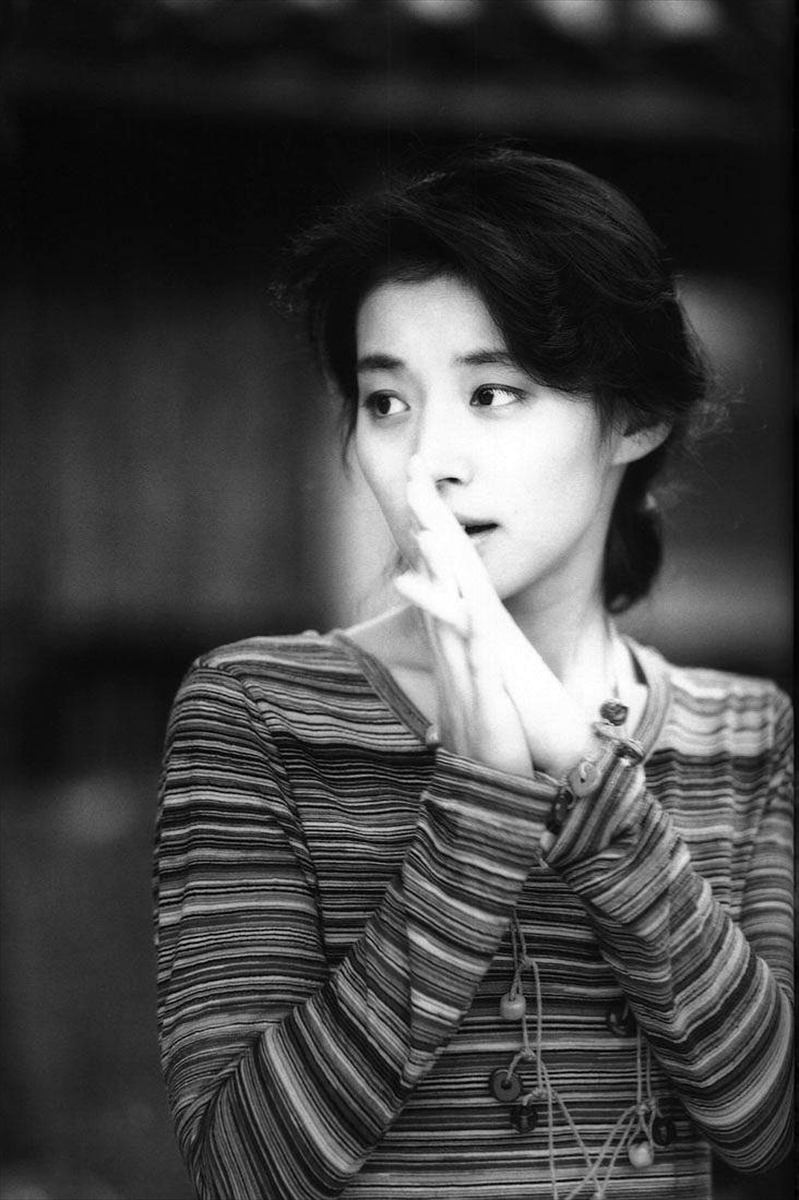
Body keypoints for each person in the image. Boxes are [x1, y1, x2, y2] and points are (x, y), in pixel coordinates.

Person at [153, 146, 793, 1200]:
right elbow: (243, 1169)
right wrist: (481, 798)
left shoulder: (744, 735)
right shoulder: (257, 710)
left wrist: (580, 768)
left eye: (492, 392)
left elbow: (766, 1124)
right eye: (386, 402)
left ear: (632, 416)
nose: (425, 462)